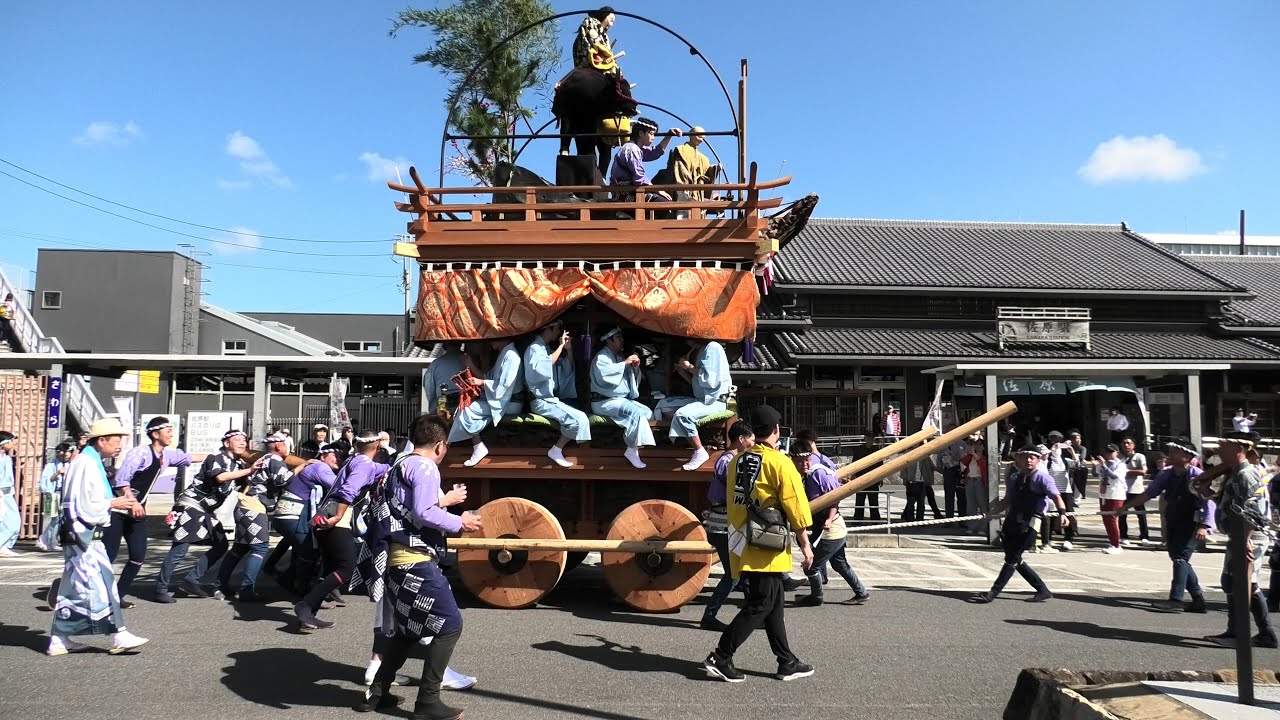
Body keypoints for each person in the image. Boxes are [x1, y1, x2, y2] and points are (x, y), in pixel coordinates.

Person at [355, 415, 483, 720]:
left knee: (409, 630)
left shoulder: (398, 464)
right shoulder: (425, 467)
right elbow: (424, 511)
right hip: (414, 560)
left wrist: (447, 502)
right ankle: (427, 702)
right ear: (441, 445)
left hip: (395, 562)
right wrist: (460, 520)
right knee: (450, 625)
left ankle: (377, 693)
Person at [703, 404, 815, 684]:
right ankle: (721, 655)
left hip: (743, 538)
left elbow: (733, 499)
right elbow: (795, 505)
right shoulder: (779, 462)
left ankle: (786, 661)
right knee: (761, 602)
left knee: (773, 602)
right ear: (776, 430)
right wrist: (805, 544)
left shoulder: (737, 460)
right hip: (767, 542)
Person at [46, 418, 149, 656]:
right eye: (116, 440)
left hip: (81, 534)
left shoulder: (88, 461)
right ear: (101, 440)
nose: (120, 445)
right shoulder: (87, 463)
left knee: (77, 589)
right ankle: (118, 633)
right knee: (102, 584)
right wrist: (114, 502)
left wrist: (112, 504)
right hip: (84, 535)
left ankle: (60, 639)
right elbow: (83, 503)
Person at [156, 429, 263, 603]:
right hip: (190, 506)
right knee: (180, 549)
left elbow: (247, 484)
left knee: (221, 545)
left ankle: (191, 580)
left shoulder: (239, 465)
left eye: (244, 440)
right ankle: (160, 588)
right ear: (227, 443)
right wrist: (249, 469)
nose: (242, 443)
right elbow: (220, 477)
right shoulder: (216, 458)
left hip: (206, 511)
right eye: (238, 440)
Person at [295, 430, 388, 629]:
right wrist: (337, 517)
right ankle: (305, 605)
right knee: (347, 567)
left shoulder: (356, 460)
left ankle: (307, 615)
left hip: (325, 512)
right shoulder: (363, 464)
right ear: (378, 445)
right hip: (335, 515)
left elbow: (383, 469)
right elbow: (349, 490)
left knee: (330, 567)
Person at [103, 417, 192, 606]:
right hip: (119, 509)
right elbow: (121, 481)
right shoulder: (140, 453)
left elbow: (189, 457)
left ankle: (117, 596)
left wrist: (222, 455)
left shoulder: (166, 455)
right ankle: (95, 595)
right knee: (107, 555)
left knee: (138, 556)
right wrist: (132, 502)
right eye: (167, 430)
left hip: (137, 511)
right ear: (155, 434)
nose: (171, 434)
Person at [1204, 431, 1277, 648]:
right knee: (1233, 582)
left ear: (1238, 449)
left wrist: (1244, 540)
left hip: (1249, 536)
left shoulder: (1246, 475)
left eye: (1223, 446)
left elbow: (1252, 511)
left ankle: (1253, 633)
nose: (1219, 450)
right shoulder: (1235, 473)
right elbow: (1232, 504)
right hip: (1238, 535)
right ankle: (1243, 631)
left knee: (1243, 583)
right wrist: (1208, 492)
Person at [1125, 438, 1210, 613]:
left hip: (1192, 522)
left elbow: (1208, 501)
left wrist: (1205, 525)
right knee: (1179, 559)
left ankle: (1176, 598)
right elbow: (1149, 493)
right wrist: (1125, 508)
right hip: (1174, 519)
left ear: (1187, 457)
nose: (1171, 453)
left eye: (1176, 451)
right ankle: (1198, 600)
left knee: (1180, 558)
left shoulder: (1196, 475)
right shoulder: (1167, 473)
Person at [975, 446, 1069, 603]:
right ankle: (1042, 590)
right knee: (1013, 558)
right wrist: (991, 513)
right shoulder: (1014, 478)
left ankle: (993, 592)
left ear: (1038, 460)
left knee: (1012, 559)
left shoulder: (1043, 478)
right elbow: (1006, 501)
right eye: (1025, 456)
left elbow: (1056, 497)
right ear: (1018, 459)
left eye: (1033, 457)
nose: (1029, 460)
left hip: (1030, 522)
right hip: (1012, 519)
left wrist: (1062, 514)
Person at [791, 439, 870, 607]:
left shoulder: (818, 473)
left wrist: (828, 518)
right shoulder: (801, 476)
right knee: (839, 563)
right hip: (827, 527)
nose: (804, 464)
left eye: (807, 460)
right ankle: (861, 592)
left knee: (811, 567)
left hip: (831, 527)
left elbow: (835, 497)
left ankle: (816, 597)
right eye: (799, 461)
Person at [217, 431, 292, 602]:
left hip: (245, 506)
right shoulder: (275, 459)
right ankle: (246, 589)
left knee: (239, 548)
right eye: (286, 444)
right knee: (260, 548)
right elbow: (283, 480)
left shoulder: (265, 458)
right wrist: (302, 467)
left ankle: (220, 585)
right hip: (254, 507)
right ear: (279, 446)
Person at [700, 420, 754, 632]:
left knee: (745, 571)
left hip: (729, 525)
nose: (752, 442)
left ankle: (754, 615)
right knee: (733, 574)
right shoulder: (729, 461)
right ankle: (709, 616)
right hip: (723, 526)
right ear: (741, 439)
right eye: (750, 438)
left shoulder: (733, 459)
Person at [268, 442, 340, 593]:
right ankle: (305, 593)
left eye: (341, 455)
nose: (338, 459)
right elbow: (338, 487)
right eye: (335, 455)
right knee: (310, 552)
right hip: (293, 514)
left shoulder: (315, 467)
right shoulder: (320, 467)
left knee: (302, 549)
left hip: (289, 514)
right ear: (322, 457)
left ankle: (287, 580)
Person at [655, 338, 732, 471]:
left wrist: (689, 367)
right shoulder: (701, 350)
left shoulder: (712, 348)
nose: (686, 340)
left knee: (682, 414)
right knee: (663, 405)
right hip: (703, 399)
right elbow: (698, 385)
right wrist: (682, 372)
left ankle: (699, 450)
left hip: (716, 401)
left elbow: (710, 381)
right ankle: (687, 439)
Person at [525, 320, 591, 469]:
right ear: (550, 329)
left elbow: (563, 368)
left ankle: (558, 449)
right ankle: (557, 449)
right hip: (540, 401)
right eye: (557, 329)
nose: (558, 332)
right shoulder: (534, 348)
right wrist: (561, 347)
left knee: (581, 417)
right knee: (578, 419)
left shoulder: (544, 348)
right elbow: (544, 367)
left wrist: (568, 350)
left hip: (548, 400)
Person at [448, 338, 524, 468]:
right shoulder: (506, 354)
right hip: (502, 400)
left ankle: (478, 446)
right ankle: (473, 444)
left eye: (494, 338)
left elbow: (504, 386)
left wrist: (482, 382)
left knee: (467, 409)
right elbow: (488, 378)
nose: (490, 342)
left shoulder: (512, 356)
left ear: (503, 339)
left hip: (510, 403)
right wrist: (471, 366)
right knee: (465, 405)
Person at [590, 327, 654, 469]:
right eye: (618, 337)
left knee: (647, 412)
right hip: (603, 401)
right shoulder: (601, 357)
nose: (622, 340)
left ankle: (637, 447)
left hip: (618, 400)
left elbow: (628, 382)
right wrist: (624, 363)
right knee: (636, 413)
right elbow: (604, 377)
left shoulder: (618, 357)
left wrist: (635, 368)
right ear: (609, 340)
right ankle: (632, 449)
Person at [609, 116, 683, 203]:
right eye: (651, 134)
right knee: (665, 203)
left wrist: (669, 135)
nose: (653, 137)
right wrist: (658, 190)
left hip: (630, 191)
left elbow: (654, 152)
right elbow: (639, 177)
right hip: (625, 193)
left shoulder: (635, 148)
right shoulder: (631, 149)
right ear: (641, 133)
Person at [668, 127, 722, 218]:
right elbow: (680, 170)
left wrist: (715, 169)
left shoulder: (704, 158)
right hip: (685, 190)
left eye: (703, 136)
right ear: (690, 135)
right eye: (699, 134)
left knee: (697, 217)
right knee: (683, 216)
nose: (702, 137)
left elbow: (707, 175)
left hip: (698, 193)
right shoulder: (681, 150)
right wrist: (687, 185)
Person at [37, 442, 78, 552]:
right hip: (54, 493)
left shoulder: (71, 464)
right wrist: (57, 473)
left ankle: (48, 540)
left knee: (61, 519)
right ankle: (48, 540)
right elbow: (45, 481)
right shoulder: (51, 465)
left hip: (66, 493)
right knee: (54, 518)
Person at [1092, 444, 1128, 554]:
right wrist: (1094, 466)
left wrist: (1103, 465)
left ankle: (1116, 545)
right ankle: (1112, 542)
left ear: (1116, 452)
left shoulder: (1120, 465)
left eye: (1111, 452)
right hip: (1104, 494)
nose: (1108, 454)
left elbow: (1113, 476)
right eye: (1107, 452)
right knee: (1106, 519)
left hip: (1115, 494)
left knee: (1112, 519)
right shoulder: (1104, 462)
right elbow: (1095, 474)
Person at [424, 343, 474, 418]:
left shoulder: (435, 364)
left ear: (443, 346)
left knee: (444, 426)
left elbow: (429, 388)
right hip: (466, 401)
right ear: (461, 344)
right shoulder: (469, 360)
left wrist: (433, 409)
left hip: (443, 400)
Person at [1117, 436, 1150, 546]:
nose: (1126, 445)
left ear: (1133, 445)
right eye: (1124, 443)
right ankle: (1124, 536)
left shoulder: (1139, 456)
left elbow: (1143, 471)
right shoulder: (1119, 457)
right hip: (1123, 489)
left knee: (1141, 514)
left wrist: (1126, 472)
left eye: (1128, 443)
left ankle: (1144, 536)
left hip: (1136, 490)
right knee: (1122, 513)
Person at [571, 6, 615, 70]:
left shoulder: (603, 34)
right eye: (611, 20)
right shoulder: (591, 22)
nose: (611, 25)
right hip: (587, 61)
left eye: (613, 22)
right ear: (604, 16)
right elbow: (595, 42)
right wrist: (605, 55)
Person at [961, 440, 989, 535]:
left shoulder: (985, 457)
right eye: (975, 445)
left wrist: (974, 454)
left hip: (979, 480)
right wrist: (966, 451)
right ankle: (972, 526)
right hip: (970, 480)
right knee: (971, 505)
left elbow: (983, 464)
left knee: (982, 504)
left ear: (984, 447)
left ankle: (983, 527)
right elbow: (962, 461)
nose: (977, 446)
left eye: (980, 445)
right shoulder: (971, 457)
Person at [939, 433, 967, 518]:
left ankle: (962, 518)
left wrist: (959, 459)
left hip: (959, 470)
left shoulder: (962, 443)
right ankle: (949, 518)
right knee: (949, 495)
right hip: (948, 470)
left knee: (961, 495)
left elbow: (966, 457)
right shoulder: (943, 444)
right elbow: (939, 457)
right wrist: (940, 468)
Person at [0, 430, 18, 556]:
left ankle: (5, 544)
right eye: (11, 440)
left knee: (15, 521)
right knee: (6, 520)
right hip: (0, 493)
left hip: (8, 493)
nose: (13, 443)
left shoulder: (7, 458)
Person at [1066, 430, 1089, 497]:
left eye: (1079, 438)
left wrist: (1073, 454)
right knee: (1070, 482)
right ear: (1072, 440)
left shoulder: (1082, 448)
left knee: (1078, 485)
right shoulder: (1068, 448)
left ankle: (1077, 500)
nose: (1078, 440)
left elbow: (1082, 458)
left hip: (1079, 468)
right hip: (1070, 468)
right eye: (1076, 438)